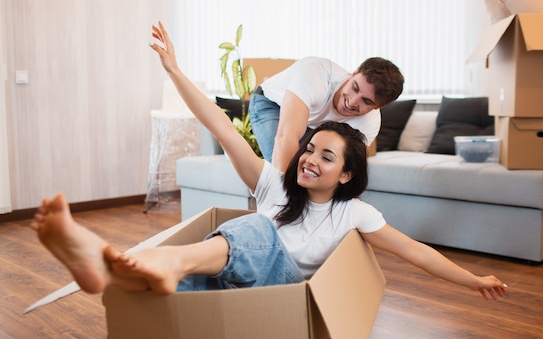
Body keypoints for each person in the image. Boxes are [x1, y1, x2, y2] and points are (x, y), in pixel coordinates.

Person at [29, 22, 507, 301]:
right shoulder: (280, 173)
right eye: (309, 151)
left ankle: (162, 264)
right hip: (230, 284)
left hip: (276, 295)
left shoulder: (353, 213)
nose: (309, 159)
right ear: (353, 75)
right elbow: (221, 123)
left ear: (346, 173)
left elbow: (415, 252)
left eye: (324, 155)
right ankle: (107, 266)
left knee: (255, 230)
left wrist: (474, 279)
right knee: (166, 288)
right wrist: (174, 68)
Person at [249, 54, 404, 172]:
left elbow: (349, 169)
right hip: (271, 103)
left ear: (379, 107)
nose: (352, 102)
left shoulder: (369, 122)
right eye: (355, 87)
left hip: (314, 125)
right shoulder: (316, 74)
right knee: (287, 169)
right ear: (353, 73)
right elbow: (286, 136)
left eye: (367, 101)